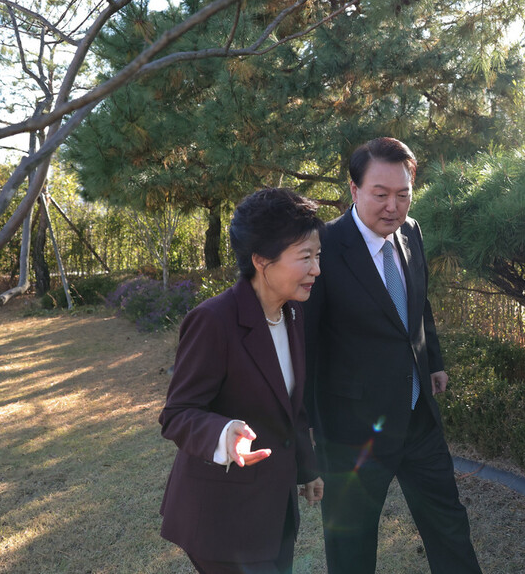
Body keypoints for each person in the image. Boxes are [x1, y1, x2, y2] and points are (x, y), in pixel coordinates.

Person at [303, 137, 483, 574]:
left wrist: (432, 361)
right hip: (352, 432)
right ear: (354, 190)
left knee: (449, 526)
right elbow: (304, 343)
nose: (393, 206)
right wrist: (304, 432)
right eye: (380, 194)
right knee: (352, 546)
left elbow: (419, 306)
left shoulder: (411, 232)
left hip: (418, 417)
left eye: (402, 194)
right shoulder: (323, 246)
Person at [159, 188, 325, 574]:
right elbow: (177, 414)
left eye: (318, 256)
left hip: (274, 516)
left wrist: (307, 467)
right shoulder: (213, 321)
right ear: (261, 260)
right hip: (222, 521)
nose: (317, 269)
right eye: (305, 258)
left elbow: (290, 408)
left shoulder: (293, 315)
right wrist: (224, 433)